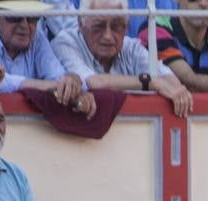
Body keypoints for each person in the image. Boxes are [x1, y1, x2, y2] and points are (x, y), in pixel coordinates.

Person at [51, 0, 193, 116]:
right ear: (81, 24)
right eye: (99, 26)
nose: (108, 36)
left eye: (116, 27)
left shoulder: (130, 47)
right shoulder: (65, 42)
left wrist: (162, 84)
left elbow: (172, 83)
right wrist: (151, 82)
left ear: (126, 27)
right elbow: (94, 82)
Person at [0, 0, 96, 118]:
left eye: (32, 17)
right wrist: (47, 86)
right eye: (15, 17)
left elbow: (57, 77)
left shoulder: (37, 38)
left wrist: (72, 82)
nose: (25, 25)